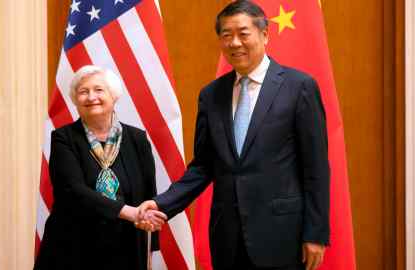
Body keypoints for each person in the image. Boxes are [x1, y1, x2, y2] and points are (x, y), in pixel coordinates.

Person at [137, 1, 330, 270]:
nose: (235, 43)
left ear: (264, 34)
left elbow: (316, 168)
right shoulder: (211, 95)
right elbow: (204, 166)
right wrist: (161, 204)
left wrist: (315, 234)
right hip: (227, 236)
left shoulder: (299, 87)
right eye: (226, 36)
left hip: (282, 234)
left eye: (243, 33)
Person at [34, 65, 166, 270]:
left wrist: (150, 244)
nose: (90, 97)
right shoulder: (63, 138)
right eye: (83, 92)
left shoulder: (137, 138)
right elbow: (72, 191)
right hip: (73, 247)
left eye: (98, 90)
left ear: (114, 96)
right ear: (76, 100)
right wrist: (127, 212)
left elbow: (148, 192)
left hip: (128, 246)